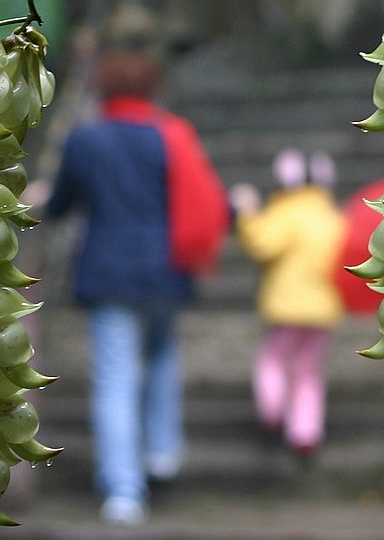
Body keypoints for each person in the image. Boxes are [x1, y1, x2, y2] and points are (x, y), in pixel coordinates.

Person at [46, 49, 229, 527]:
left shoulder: (85, 140)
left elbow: (61, 204)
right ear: (152, 89)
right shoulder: (171, 136)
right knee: (163, 357)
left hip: (107, 273)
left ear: (105, 91)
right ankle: (164, 450)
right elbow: (205, 196)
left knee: (114, 379)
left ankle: (125, 491)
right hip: (166, 269)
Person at [230, 149, 346, 459]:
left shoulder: (285, 214)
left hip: (285, 307)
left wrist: (247, 211)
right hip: (324, 310)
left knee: (274, 360)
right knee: (309, 370)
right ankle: (305, 431)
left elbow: (260, 243)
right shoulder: (333, 218)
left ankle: (272, 410)